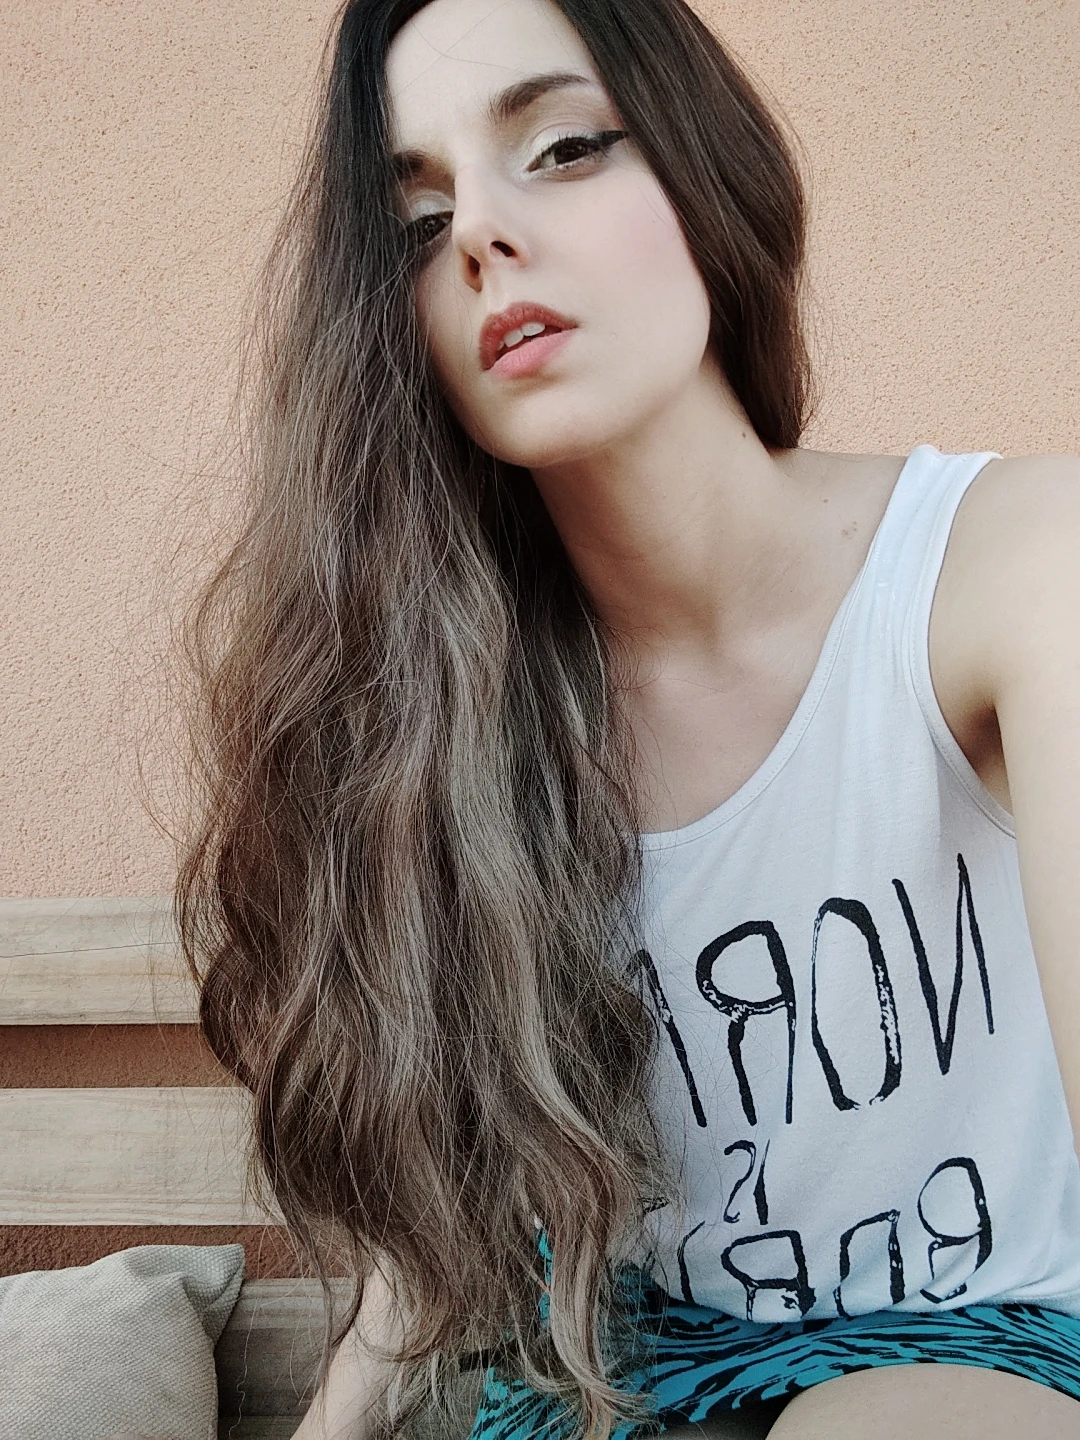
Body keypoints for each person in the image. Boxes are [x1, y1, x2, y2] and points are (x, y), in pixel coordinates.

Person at [172, 0, 1080, 1437]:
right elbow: (442, 1161)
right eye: (419, 226)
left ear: (705, 171)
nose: (483, 233)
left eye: (564, 148)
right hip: (632, 1381)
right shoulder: (455, 722)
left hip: (995, 1354)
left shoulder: (1013, 565)